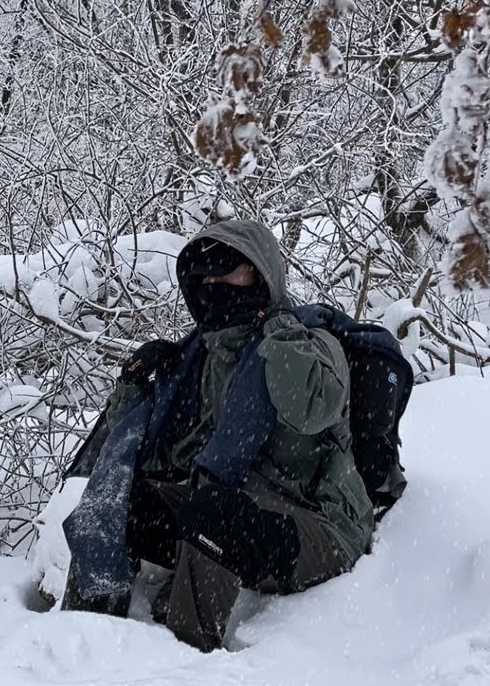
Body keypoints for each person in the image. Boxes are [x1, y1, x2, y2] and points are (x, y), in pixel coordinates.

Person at [60, 219, 374, 652]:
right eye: (204, 275)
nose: (214, 283)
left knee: (215, 512)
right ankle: (81, 638)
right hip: (236, 512)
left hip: (318, 524)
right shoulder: (204, 356)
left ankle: (182, 658)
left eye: (228, 269)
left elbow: (312, 411)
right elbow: (158, 457)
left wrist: (280, 333)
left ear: (261, 274)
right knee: (119, 498)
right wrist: (134, 386)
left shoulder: (310, 342)